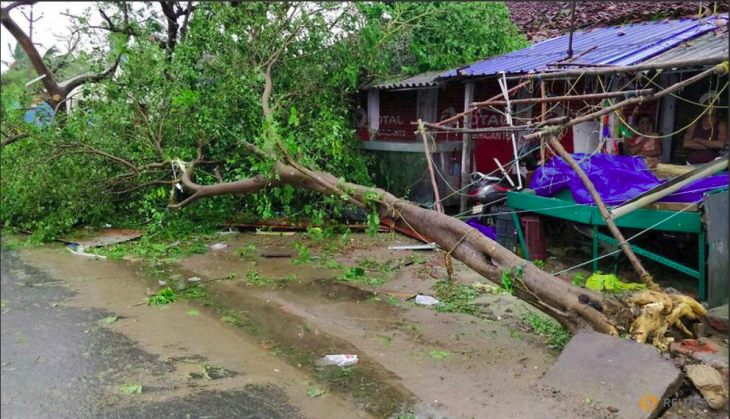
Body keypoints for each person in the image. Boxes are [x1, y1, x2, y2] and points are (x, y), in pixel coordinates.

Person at [683, 93, 728, 165]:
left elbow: (721, 144)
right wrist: (711, 146)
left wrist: (698, 140)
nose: (710, 107)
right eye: (707, 104)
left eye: (713, 104)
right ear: (703, 107)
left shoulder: (721, 124)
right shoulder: (694, 123)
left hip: (712, 166)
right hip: (691, 163)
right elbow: (686, 144)